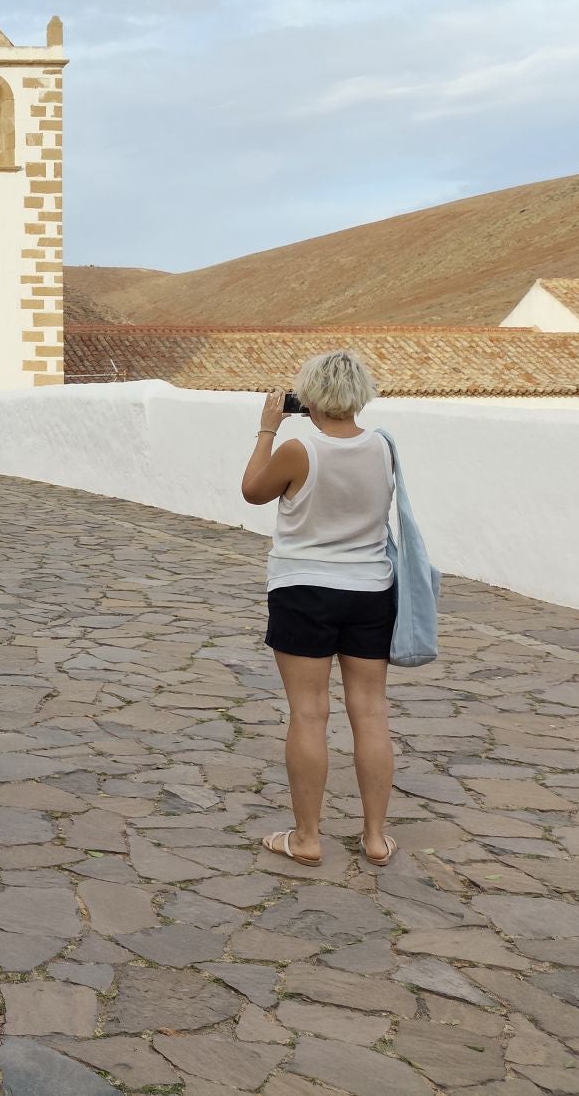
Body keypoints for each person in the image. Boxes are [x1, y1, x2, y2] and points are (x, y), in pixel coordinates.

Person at [241, 349, 397, 868]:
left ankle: (307, 838)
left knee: (309, 712)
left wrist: (267, 429)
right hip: (370, 589)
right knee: (370, 711)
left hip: (304, 589)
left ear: (309, 395)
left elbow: (252, 492)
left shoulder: (298, 448)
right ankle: (375, 838)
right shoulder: (382, 446)